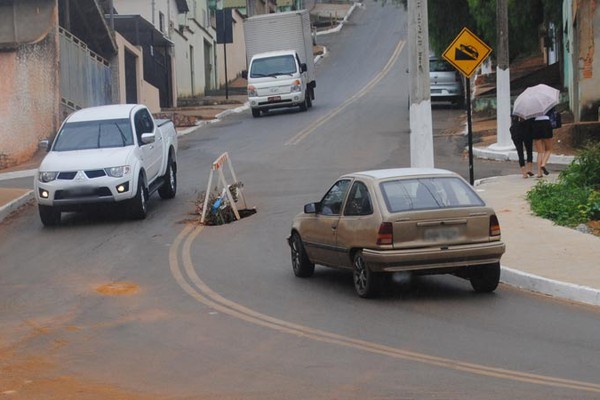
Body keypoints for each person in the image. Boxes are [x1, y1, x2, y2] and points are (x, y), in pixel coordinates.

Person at [531, 112, 554, 178]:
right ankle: (543, 164)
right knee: (548, 149)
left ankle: (539, 173)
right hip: (546, 123)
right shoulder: (546, 104)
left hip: (536, 124)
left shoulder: (532, 106)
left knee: (540, 152)